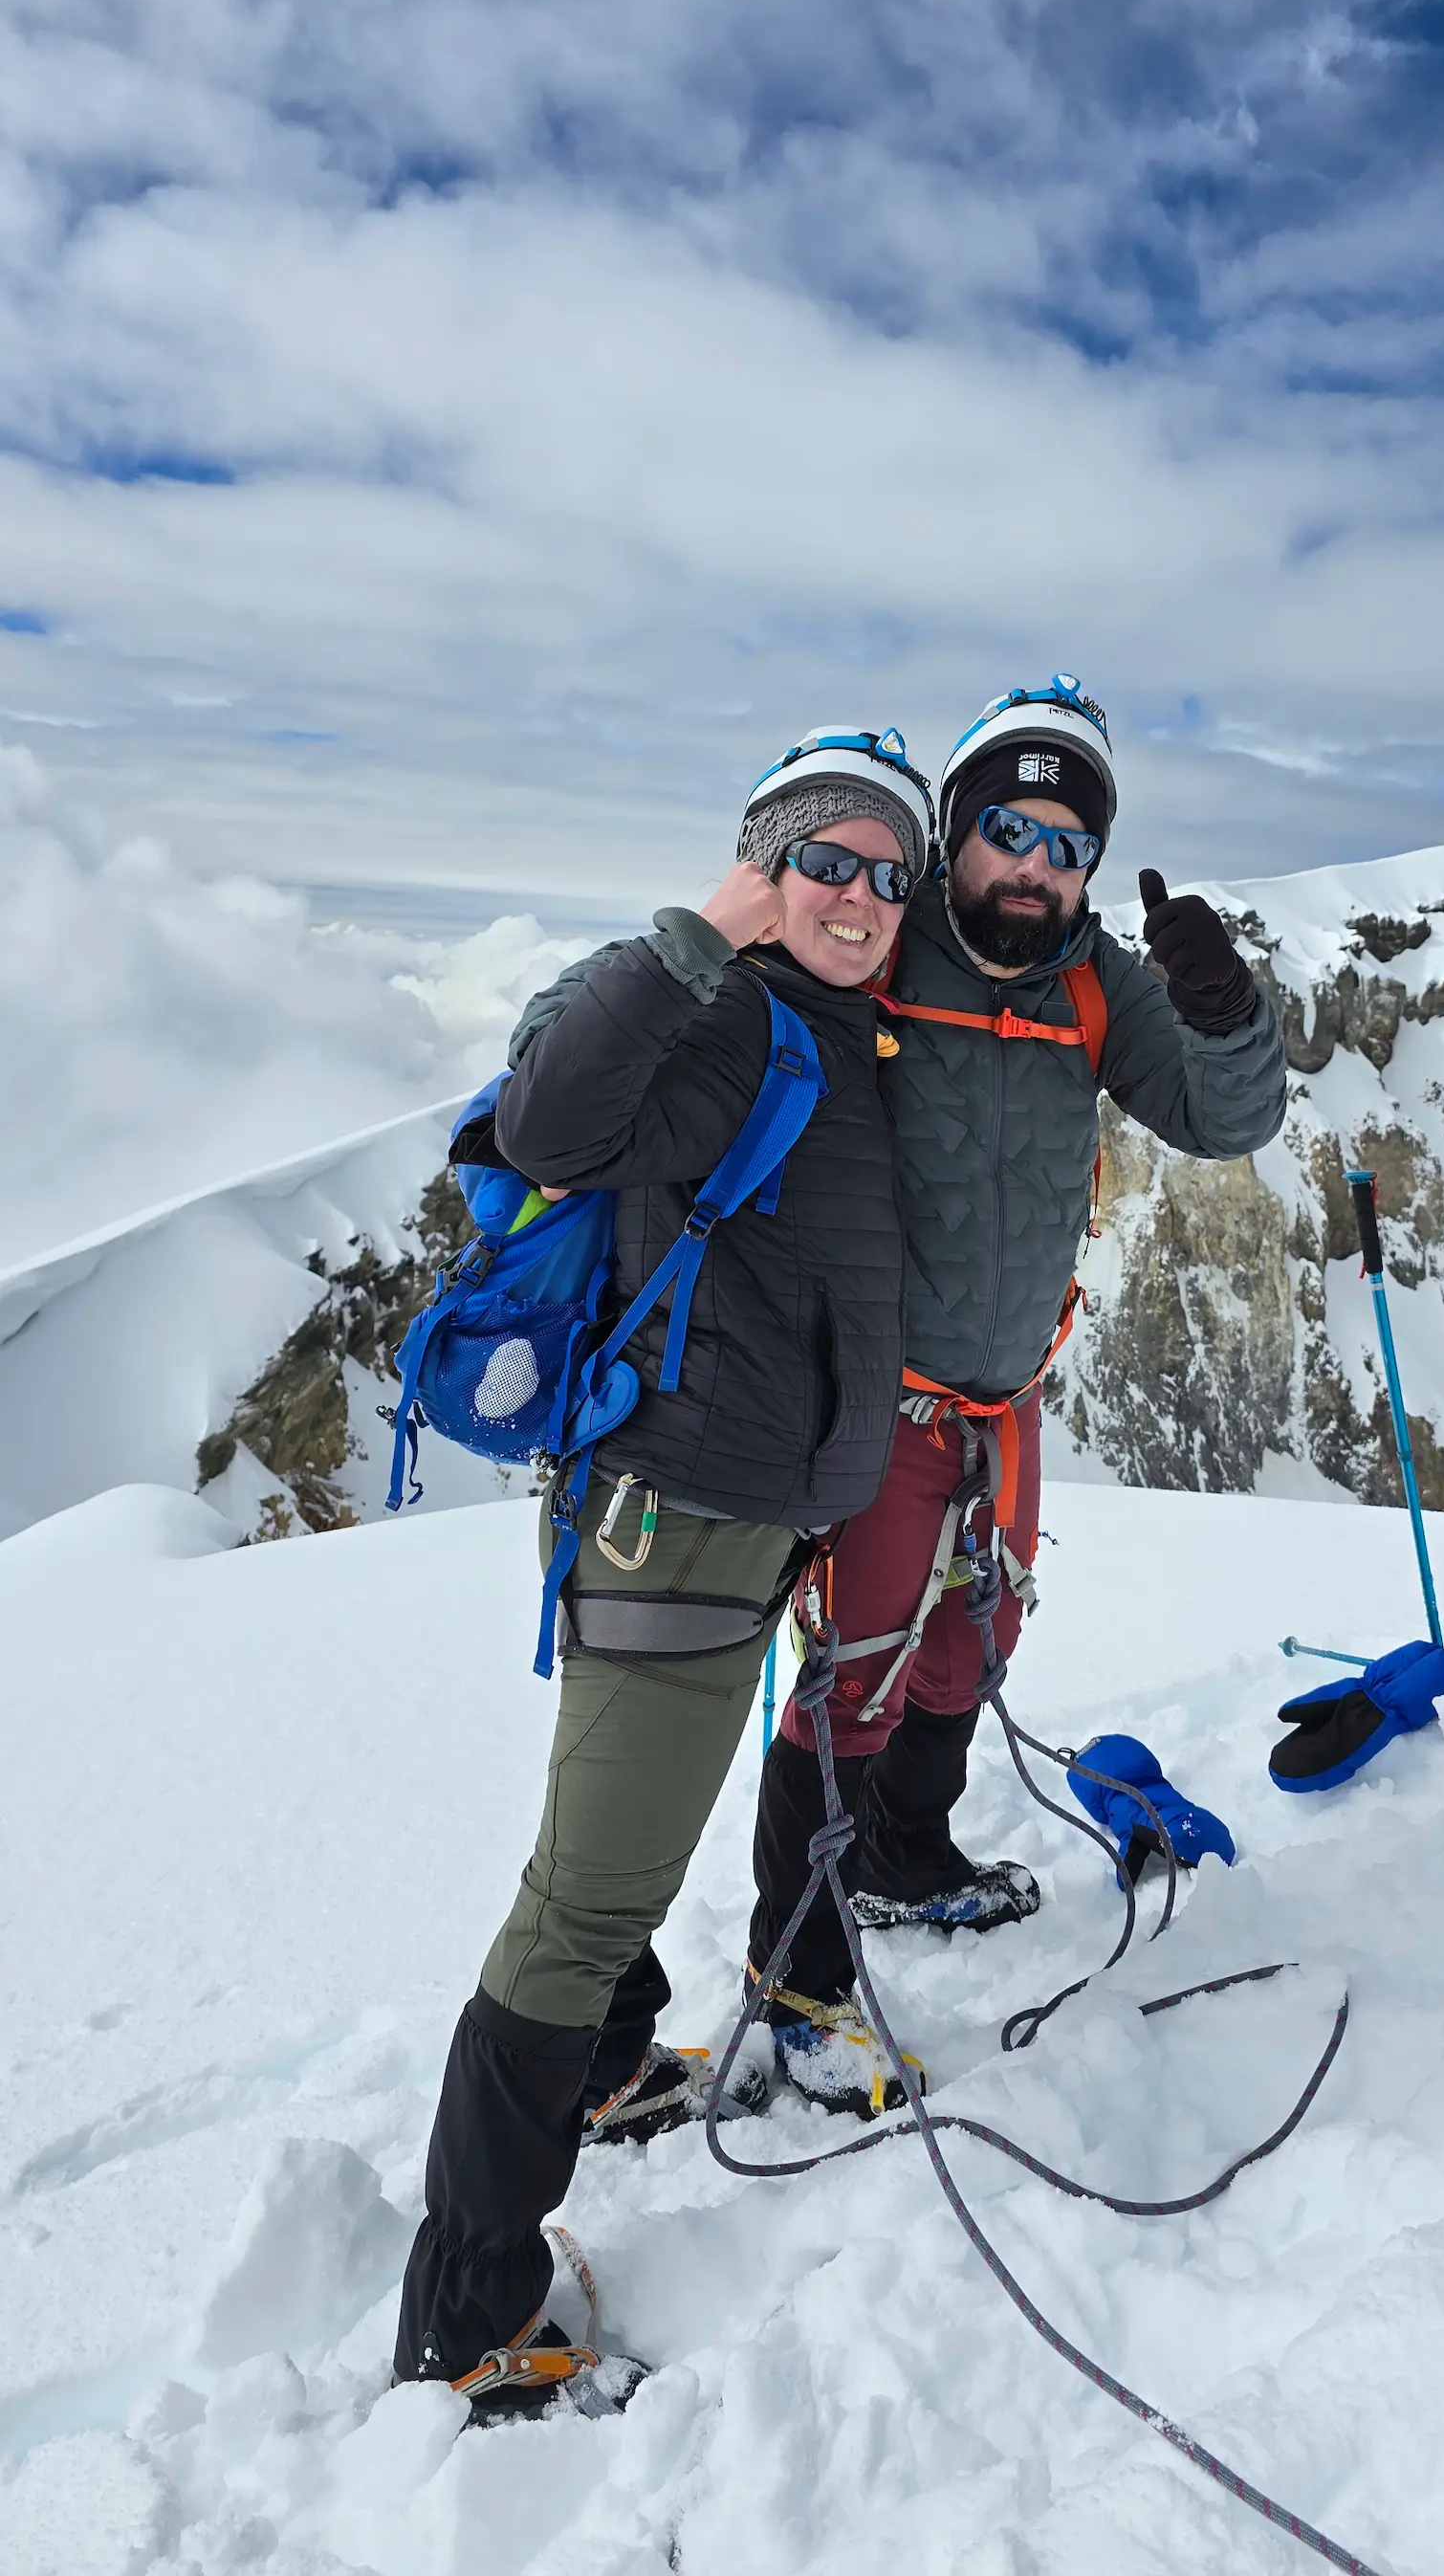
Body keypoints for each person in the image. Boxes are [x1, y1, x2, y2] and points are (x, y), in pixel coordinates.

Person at [392, 729, 931, 2419]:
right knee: (585, 1905)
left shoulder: (845, 1036)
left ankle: (615, 2076)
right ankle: (467, 2310)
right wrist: (700, 934)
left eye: (885, 872)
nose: (859, 895)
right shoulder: (720, 1016)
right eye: (824, 860)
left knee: (625, 1847)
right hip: (677, 1514)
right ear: (769, 865)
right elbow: (552, 1115)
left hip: (758, 1511)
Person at [743, 675, 1288, 2113]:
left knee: (975, 1643)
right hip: (880, 1403)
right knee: (848, 1683)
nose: (1035, 869)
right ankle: (796, 1984)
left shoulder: (1096, 988)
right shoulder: (882, 952)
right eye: (1008, 831)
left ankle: (904, 1860)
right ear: (958, 835)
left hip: (1007, 1398)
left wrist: (1225, 1008)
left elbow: (1226, 1119)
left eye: (1066, 846)